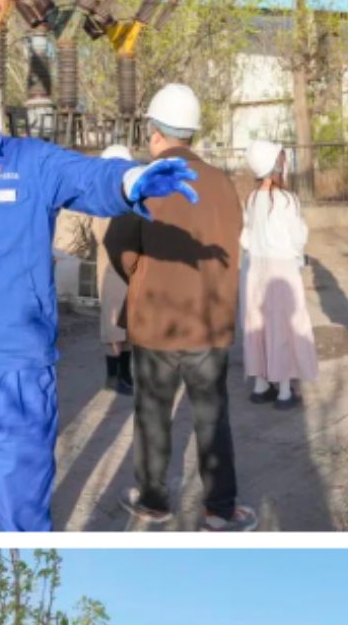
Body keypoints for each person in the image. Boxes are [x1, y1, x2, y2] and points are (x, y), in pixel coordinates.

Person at [0, 27, 198, 533]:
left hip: (15, 376)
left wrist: (130, 180)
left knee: (24, 526)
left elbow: (88, 179)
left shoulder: (31, 163)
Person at [102, 84, 255, 531]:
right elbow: (232, 237)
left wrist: (143, 277)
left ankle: (153, 500)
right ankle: (221, 509)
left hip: (156, 323)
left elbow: (119, 244)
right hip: (208, 322)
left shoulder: (148, 182)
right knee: (212, 415)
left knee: (152, 413)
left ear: (154, 133)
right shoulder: (223, 183)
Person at [240, 138, 318, 410]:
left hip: (255, 268)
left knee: (257, 324)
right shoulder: (287, 200)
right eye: (281, 160)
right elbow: (298, 238)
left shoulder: (250, 199)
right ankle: (285, 391)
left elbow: (245, 238)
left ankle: (261, 385)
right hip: (282, 270)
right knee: (283, 326)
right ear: (275, 165)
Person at [93, 143, 135, 396]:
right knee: (114, 324)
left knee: (127, 323)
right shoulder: (101, 201)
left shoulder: (130, 197)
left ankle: (125, 372)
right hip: (110, 266)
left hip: (129, 266)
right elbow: (98, 234)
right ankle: (114, 375)